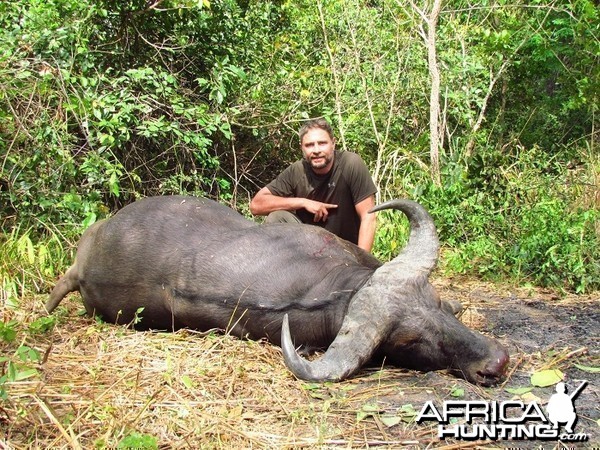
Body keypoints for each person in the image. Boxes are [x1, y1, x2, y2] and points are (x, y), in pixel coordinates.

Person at [250, 118, 377, 252]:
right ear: (302, 148)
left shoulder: (350, 164)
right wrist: (303, 202)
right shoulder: (297, 171)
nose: (316, 150)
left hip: (345, 252)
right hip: (308, 252)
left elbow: (368, 216)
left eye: (322, 143)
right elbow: (256, 206)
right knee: (277, 217)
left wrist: (362, 263)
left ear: (333, 144)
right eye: (310, 145)